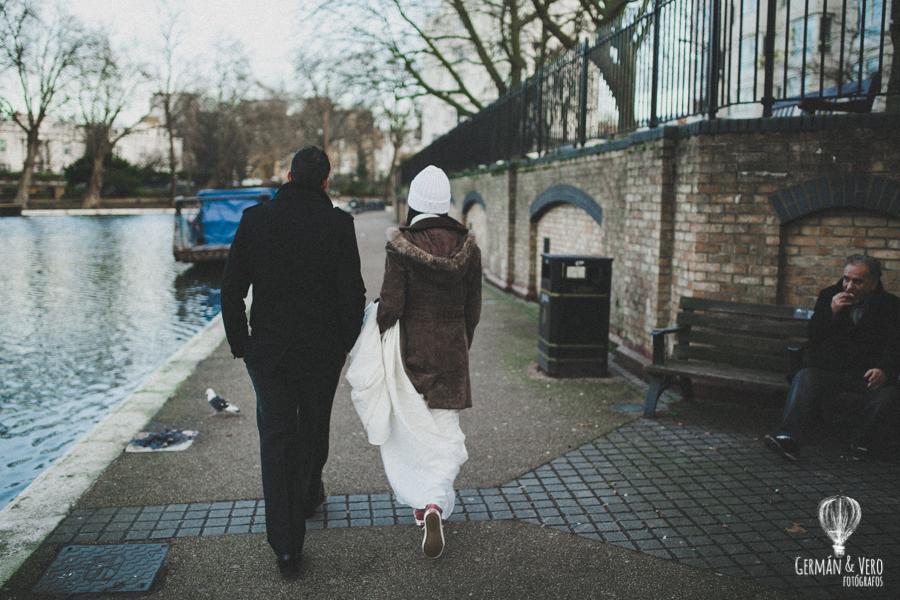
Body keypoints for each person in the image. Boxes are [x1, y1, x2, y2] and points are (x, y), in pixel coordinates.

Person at [221, 146, 366, 576]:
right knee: (315, 424)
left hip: (269, 352)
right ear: (326, 181)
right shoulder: (339, 224)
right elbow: (352, 293)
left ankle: (286, 547)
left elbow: (231, 289)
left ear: (287, 175)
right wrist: (345, 341)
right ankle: (308, 493)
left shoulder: (256, 219)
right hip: (322, 352)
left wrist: (241, 344)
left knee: (277, 438)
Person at [375, 165, 482, 558]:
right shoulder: (469, 247)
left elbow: (391, 306)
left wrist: (378, 330)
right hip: (452, 352)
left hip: (412, 354)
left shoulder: (401, 248)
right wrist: (461, 342)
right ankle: (436, 504)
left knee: (414, 434)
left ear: (414, 203)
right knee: (443, 433)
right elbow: (474, 309)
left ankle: (424, 505)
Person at [764, 255, 900, 461]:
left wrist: (885, 370)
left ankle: (861, 444)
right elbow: (814, 338)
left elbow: (895, 345)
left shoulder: (890, 305)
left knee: (886, 397)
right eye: (846, 279)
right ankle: (787, 437)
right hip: (832, 371)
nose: (849, 286)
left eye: (858, 281)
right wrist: (831, 313)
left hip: (867, 376)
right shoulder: (829, 296)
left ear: (873, 282)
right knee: (805, 377)